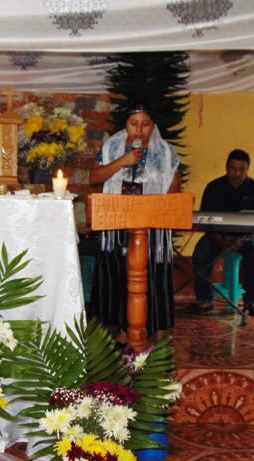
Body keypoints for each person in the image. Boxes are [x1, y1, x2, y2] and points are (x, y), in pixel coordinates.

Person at [87, 104, 180, 341]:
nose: (139, 129)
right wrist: (123, 161)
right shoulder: (111, 148)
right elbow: (95, 177)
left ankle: (157, 330)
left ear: (153, 125)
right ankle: (122, 331)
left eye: (145, 124)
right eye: (133, 123)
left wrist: (159, 210)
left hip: (153, 226)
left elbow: (174, 187)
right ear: (126, 124)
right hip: (118, 223)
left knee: (153, 275)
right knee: (119, 274)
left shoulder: (166, 152)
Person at [188, 149, 254, 318]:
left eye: (242, 169)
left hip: (246, 237)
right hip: (216, 236)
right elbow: (205, 219)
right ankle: (204, 299)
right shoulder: (213, 187)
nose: (237, 173)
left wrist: (242, 239)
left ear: (247, 169)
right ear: (226, 167)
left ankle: (252, 301)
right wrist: (219, 239)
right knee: (200, 253)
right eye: (233, 168)